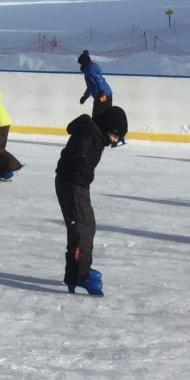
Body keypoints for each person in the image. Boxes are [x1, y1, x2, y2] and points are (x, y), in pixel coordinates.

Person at [56, 105, 128, 296]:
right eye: (115, 136)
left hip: (75, 184)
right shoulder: (89, 133)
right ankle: (81, 275)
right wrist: (79, 159)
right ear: (108, 128)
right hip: (72, 184)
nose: (114, 141)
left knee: (81, 228)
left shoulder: (94, 131)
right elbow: (81, 146)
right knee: (84, 229)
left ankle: (74, 273)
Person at [77, 50, 119, 143]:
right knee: (106, 117)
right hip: (107, 95)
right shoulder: (91, 67)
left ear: (83, 63)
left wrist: (101, 92)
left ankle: (98, 139)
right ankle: (115, 138)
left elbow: (97, 80)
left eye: (80, 64)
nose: (79, 66)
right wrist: (85, 96)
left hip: (102, 97)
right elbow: (91, 86)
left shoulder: (88, 70)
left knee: (96, 118)